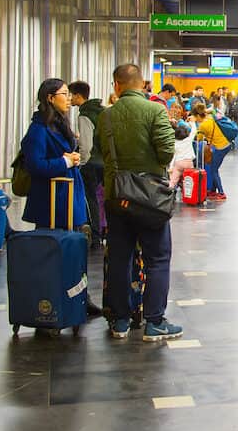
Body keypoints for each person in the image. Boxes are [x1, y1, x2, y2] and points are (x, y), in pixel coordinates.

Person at [98, 63, 181, 342]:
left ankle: (120, 321)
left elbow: (101, 153)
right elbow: (166, 152)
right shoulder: (155, 110)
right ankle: (154, 322)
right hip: (148, 199)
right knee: (157, 258)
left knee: (121, 258)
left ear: (116, 85)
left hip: (116, 197)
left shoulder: (105, 117)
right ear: (142, 83)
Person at [21, 79, 101, 316]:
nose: (68, 98)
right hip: (52, 201)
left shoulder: (60, 124)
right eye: (64, 94)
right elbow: (34, 165)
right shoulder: (38, 129)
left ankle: (79, 298)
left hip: (69, 198)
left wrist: (71, 158)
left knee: (74, 251)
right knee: (52, 254)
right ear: (49, 97)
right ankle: (50, 303)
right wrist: (65, 161)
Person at [69, 81, 105, 247]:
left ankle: (95, 236)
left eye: (70, 95)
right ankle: (105, 232)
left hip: (91, 163)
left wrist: (82, 163)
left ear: (77, 95)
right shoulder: (102, 111)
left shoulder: (84, 114)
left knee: (90, 199)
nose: (69, 99)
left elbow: (86, 144)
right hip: (105, 161)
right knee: (104, 198)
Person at [191, 102, 231, 200]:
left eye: (195, 117)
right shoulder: (210, 117)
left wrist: (192, 123)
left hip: (220, 147)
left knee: (213, 170)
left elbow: (198, 139)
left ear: (197, 115)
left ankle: (221, 193)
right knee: (213, 166)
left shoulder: (203, 125)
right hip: (226, 144)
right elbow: (213, 111)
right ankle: (213, 191)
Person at [168, 123, 195, 189]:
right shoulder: (188, 140)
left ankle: (169, 191)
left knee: (173, 180)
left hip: (178, 163)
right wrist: (192, 123)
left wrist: (171, 167)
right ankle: (189, 194)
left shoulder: (174, 143)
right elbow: (194, 131)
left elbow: (173, 156)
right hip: (188, 162)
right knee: (190, 180)